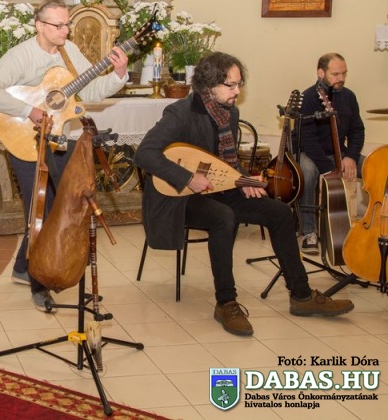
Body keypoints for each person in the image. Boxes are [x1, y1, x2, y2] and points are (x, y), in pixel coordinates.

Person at [134, 52, 353, 336]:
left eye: (239, 84)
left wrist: (243, 179)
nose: (237, 91)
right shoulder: (180, 113)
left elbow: (225, 161)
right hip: (179, 197)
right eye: (230, 85)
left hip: (219, 187)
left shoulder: (230, 112)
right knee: (223, 217)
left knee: (279, 212)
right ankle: (226, 303)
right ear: (208, 84)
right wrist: (188, 178)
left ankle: (301, 295)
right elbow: (145, 153)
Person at [0, 0, 129, 312]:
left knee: (60, 206)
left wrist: (118, 73)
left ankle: (24, 267)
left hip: (57, 140)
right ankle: (39, 285)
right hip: (25, 140)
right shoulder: (20, 55)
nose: (65, 30)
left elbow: (90, 91)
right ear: (39, 25)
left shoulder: (69, 51)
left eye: (67, 24)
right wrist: (29, 110)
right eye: (58, 25)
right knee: (40, 211)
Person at [296, 52, 365, 253]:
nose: (341, 78)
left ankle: (376, 225)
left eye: (344, 73)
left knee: (377, 169)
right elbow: (307, 139)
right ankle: (309, 231)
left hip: (340, 153)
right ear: (321, 73)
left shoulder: (349, 96)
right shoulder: (308, 98)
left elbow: (357, 130)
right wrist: (330, 168)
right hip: (311, 153)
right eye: (335, 74)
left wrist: (351, 157)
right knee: (307, 172)